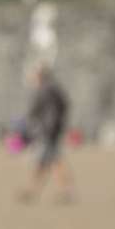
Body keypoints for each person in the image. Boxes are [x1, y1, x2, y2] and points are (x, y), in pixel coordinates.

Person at [18, 65, 75, 204]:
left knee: (48, 162)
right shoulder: (54, 89)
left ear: (40, 76)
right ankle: (35, 191)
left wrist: (46, 129)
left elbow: (45, 112)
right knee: (49, 162)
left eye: (34, 76)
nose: (32, 79)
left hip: (48, 132)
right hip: (51, 131)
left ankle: (63, 191)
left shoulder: (46, 90)